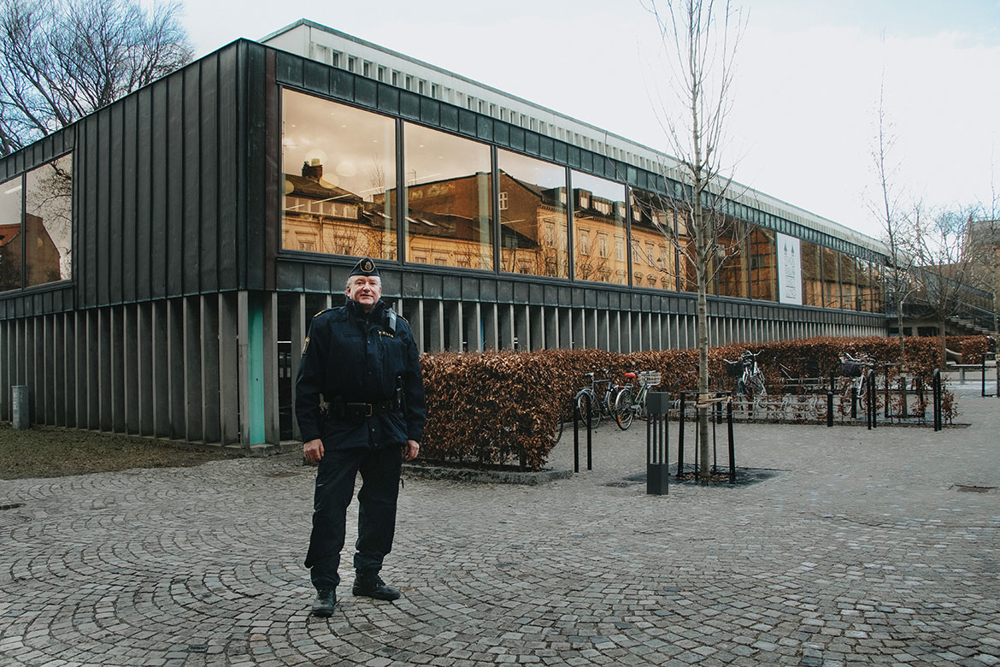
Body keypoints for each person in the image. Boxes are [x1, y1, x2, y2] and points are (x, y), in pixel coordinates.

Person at [295, 257, 426, 617]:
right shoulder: (327, 325)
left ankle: (368, 575)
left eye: (372, 284)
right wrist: (310, 435)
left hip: (386, 429)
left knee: (381, 507)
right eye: (359, 283)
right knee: (330, 508)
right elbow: (306, 385)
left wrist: (413, 432)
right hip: (340, 428)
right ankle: (325, 586)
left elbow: (414, 384)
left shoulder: (397, 327)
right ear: (348, 291)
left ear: (380, 291)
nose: (366, 288)